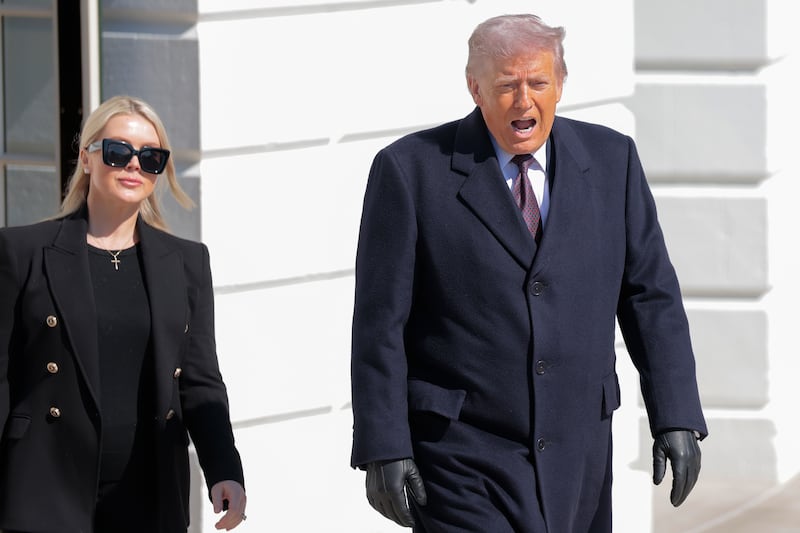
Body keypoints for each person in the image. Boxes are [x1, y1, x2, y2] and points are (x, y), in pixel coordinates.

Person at [350, 14, 707, 533]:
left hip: (578, 452)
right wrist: (384, 443)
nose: (524, 101)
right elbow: (380, 322)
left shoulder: (612, 161)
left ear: (560, 83)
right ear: (475, 87)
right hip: (459, 456)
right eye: (506, 85)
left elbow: (650, 295)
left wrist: (675, 413)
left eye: (538, 82)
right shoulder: (409, 172)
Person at [0, 95, 246, 533]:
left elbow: (200, 379)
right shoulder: (23, 252)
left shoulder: (186, 262)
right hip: (44, 491)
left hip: (149, 495)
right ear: (87, 158)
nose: (134, 165)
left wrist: (224, 469)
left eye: (150, 157)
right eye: (118, 152)